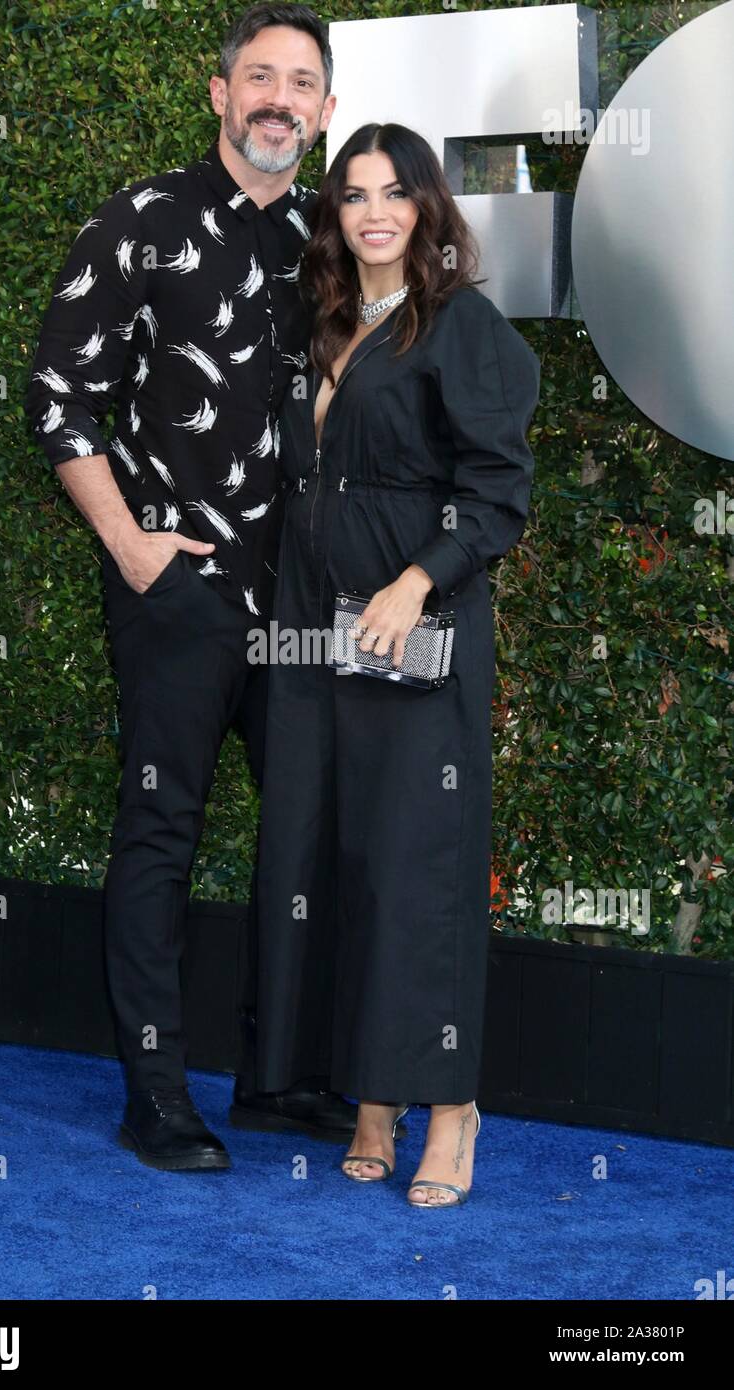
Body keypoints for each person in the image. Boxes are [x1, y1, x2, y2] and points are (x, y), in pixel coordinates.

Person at [23, 4, 374, 1172]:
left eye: (302, 83)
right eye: (259, 77)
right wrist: (130, 545)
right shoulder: (141, 221)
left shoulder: (337, 243)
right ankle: (156, 1096)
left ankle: (280, 1081)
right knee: (161, 833)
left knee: (308, 840)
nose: (280, 98)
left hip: (306, 607)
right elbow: (60, 396)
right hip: (181, 587)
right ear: (218, 93)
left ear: (323, 111)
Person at [254, 122, 541, 1206]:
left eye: (395, 195)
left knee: (417, 876)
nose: (374, 213)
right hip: (319, 638)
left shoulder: (461, 327)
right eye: (353, 195)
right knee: (346, 865)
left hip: (413, 636)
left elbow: (497, 489)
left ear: (426, 209)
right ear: (332, 214)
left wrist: (417, 578)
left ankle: (450, 1110)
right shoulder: (324, 319)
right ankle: (372, 1097)